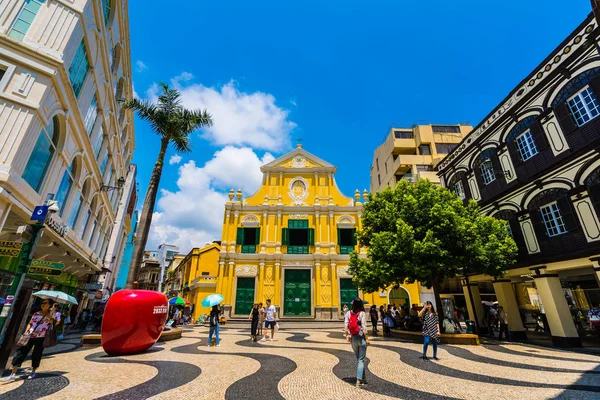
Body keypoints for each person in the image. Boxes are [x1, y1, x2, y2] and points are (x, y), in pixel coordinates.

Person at [4, 299, 57, 382]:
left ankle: (33, 372)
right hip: (30, 336)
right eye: (42, 303)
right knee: (20, 352)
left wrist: (50, 314)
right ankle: (13, 374)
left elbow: (53, 323)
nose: (42, 304)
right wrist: (26, 332)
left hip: (41, 338)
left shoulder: (51, 315)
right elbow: (30, 323)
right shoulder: (36, 313)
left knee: (37, 354)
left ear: (50, 305)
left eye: (45, 303)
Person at [344, 298, 370, 387]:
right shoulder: (362, 313)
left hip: (353, 338)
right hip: (361, 338)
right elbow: (364, 326)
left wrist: (347, 335)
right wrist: (367, 338)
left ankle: (364, 379)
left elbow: (346, 324)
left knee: (359, 359)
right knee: (361, 360)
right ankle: (358, 381)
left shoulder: (348, 313)